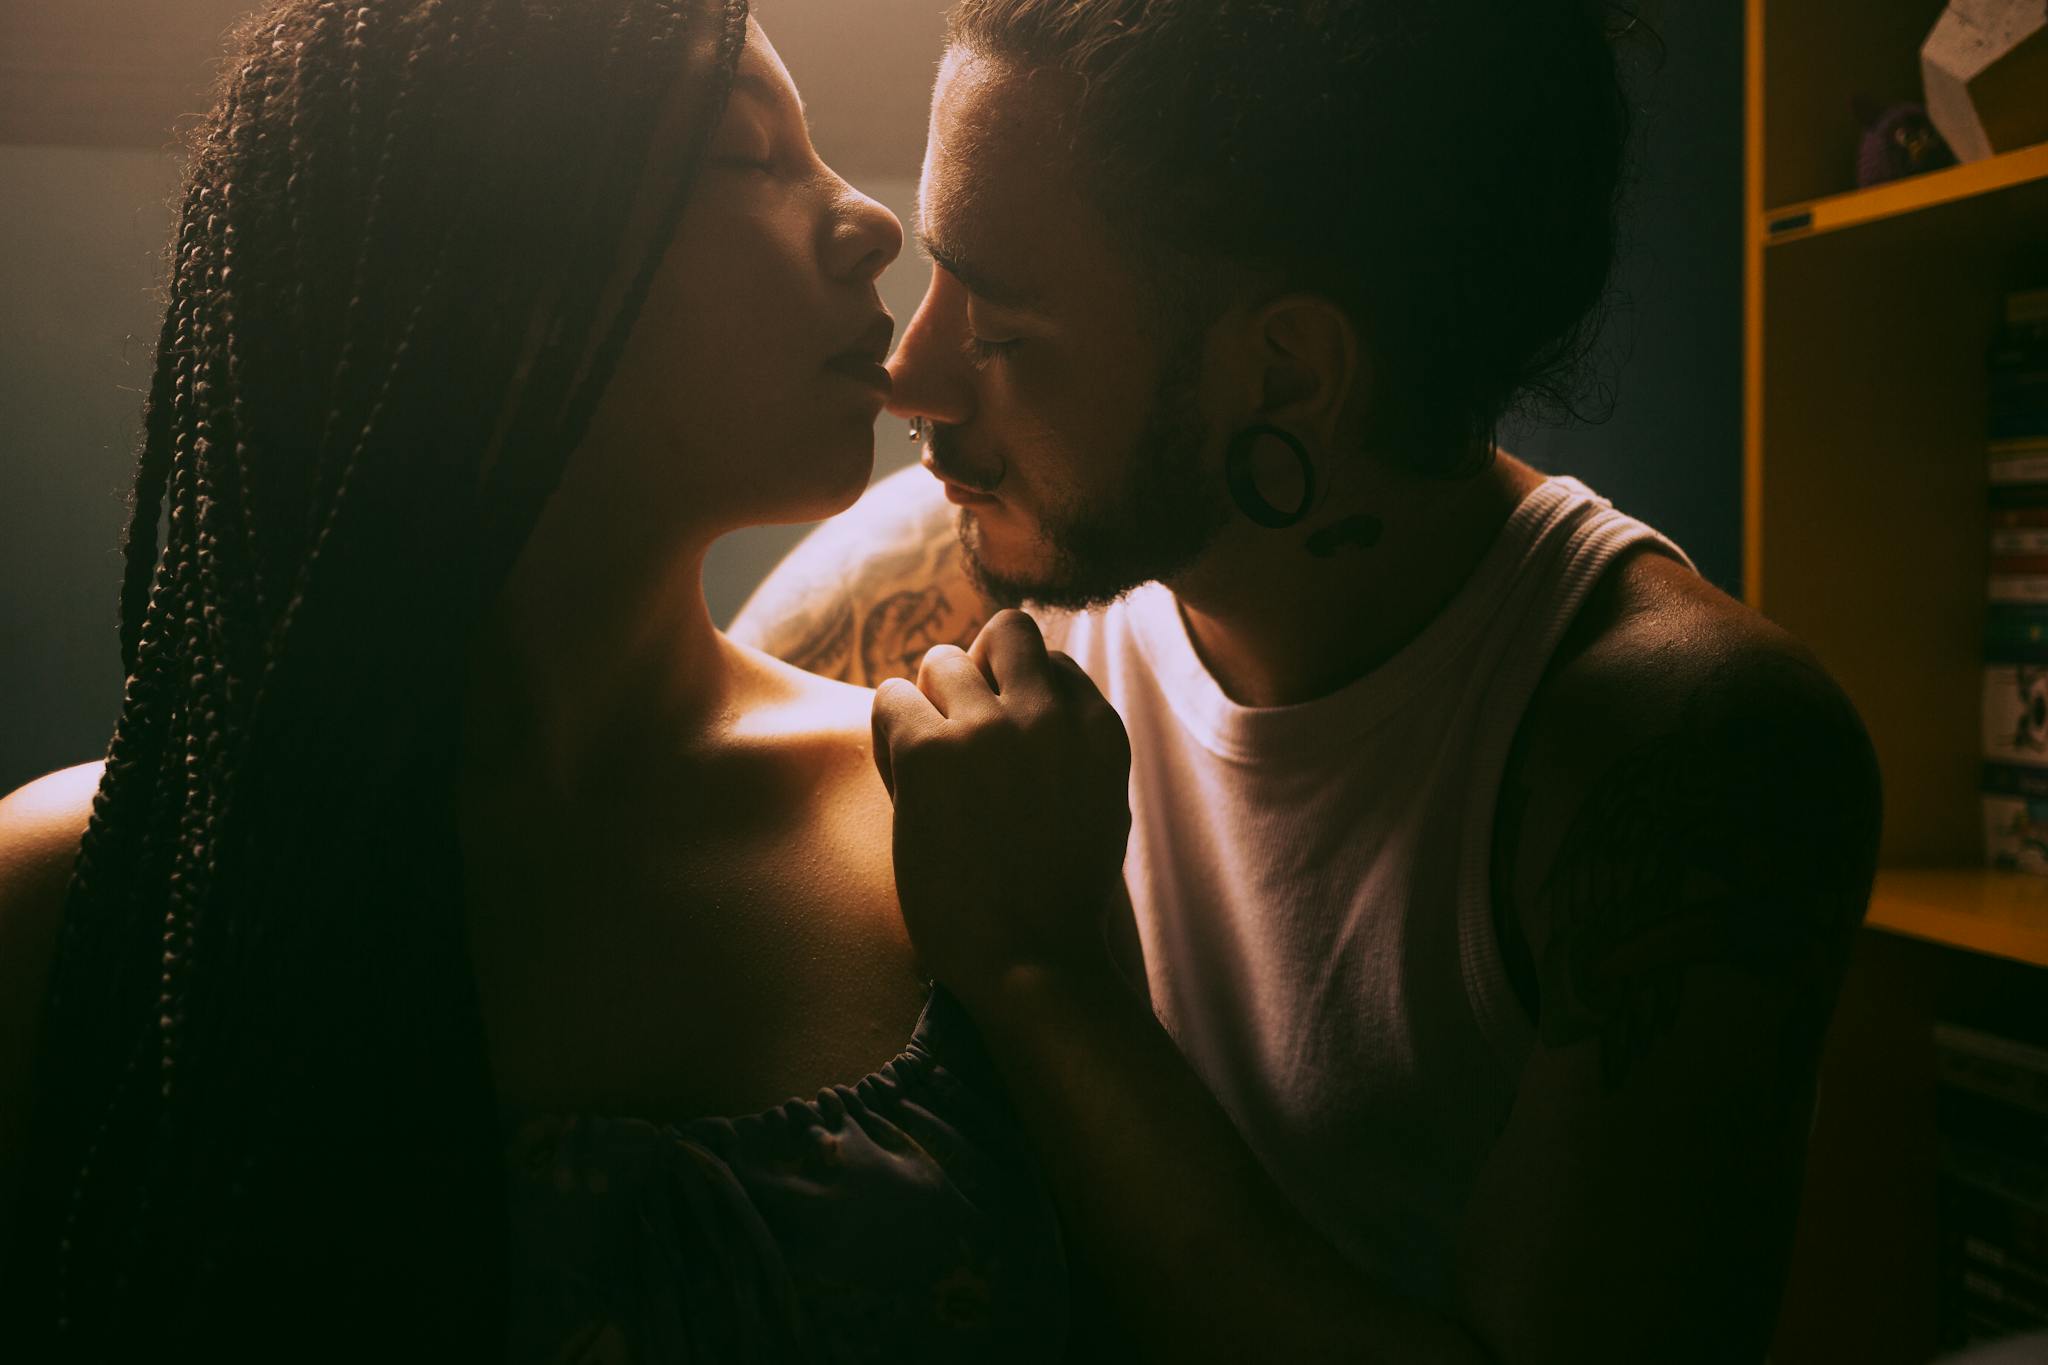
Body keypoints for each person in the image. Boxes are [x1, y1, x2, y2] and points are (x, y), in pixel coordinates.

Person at [730, 0, 1886, 1360]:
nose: (910, 374)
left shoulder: (1690, 756)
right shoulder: (969, 559)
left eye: (999, 328)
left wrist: (1049, 977)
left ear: (1284, 372)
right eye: (936, 272)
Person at [0, 2, 1068, 1359]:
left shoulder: (954, 827)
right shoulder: (84, 908)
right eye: (750, 154)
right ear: (485, 262)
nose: (869, 222)